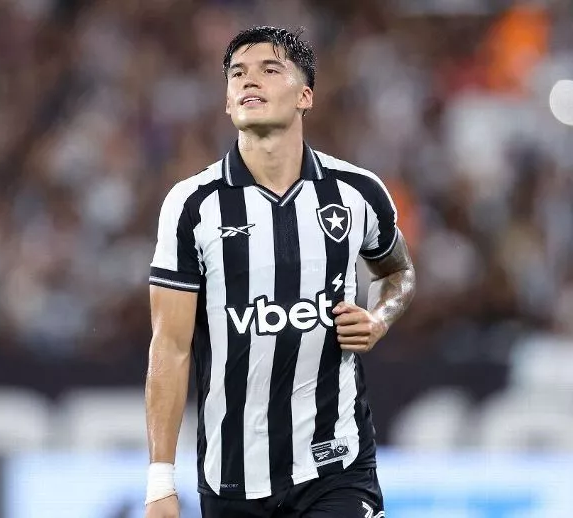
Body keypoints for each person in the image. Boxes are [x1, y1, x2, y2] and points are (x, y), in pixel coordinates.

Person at [144, 26, 416, 518]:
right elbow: (170, 346)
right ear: (228, 102)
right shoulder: (192, 205)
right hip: (232, 477)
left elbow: (398, 272)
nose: (250, 81)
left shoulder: (357, 192)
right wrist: (160, 482)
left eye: (270, 70)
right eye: (237, 74)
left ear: (305, 96)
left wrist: (379, 318)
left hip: (336, 466)